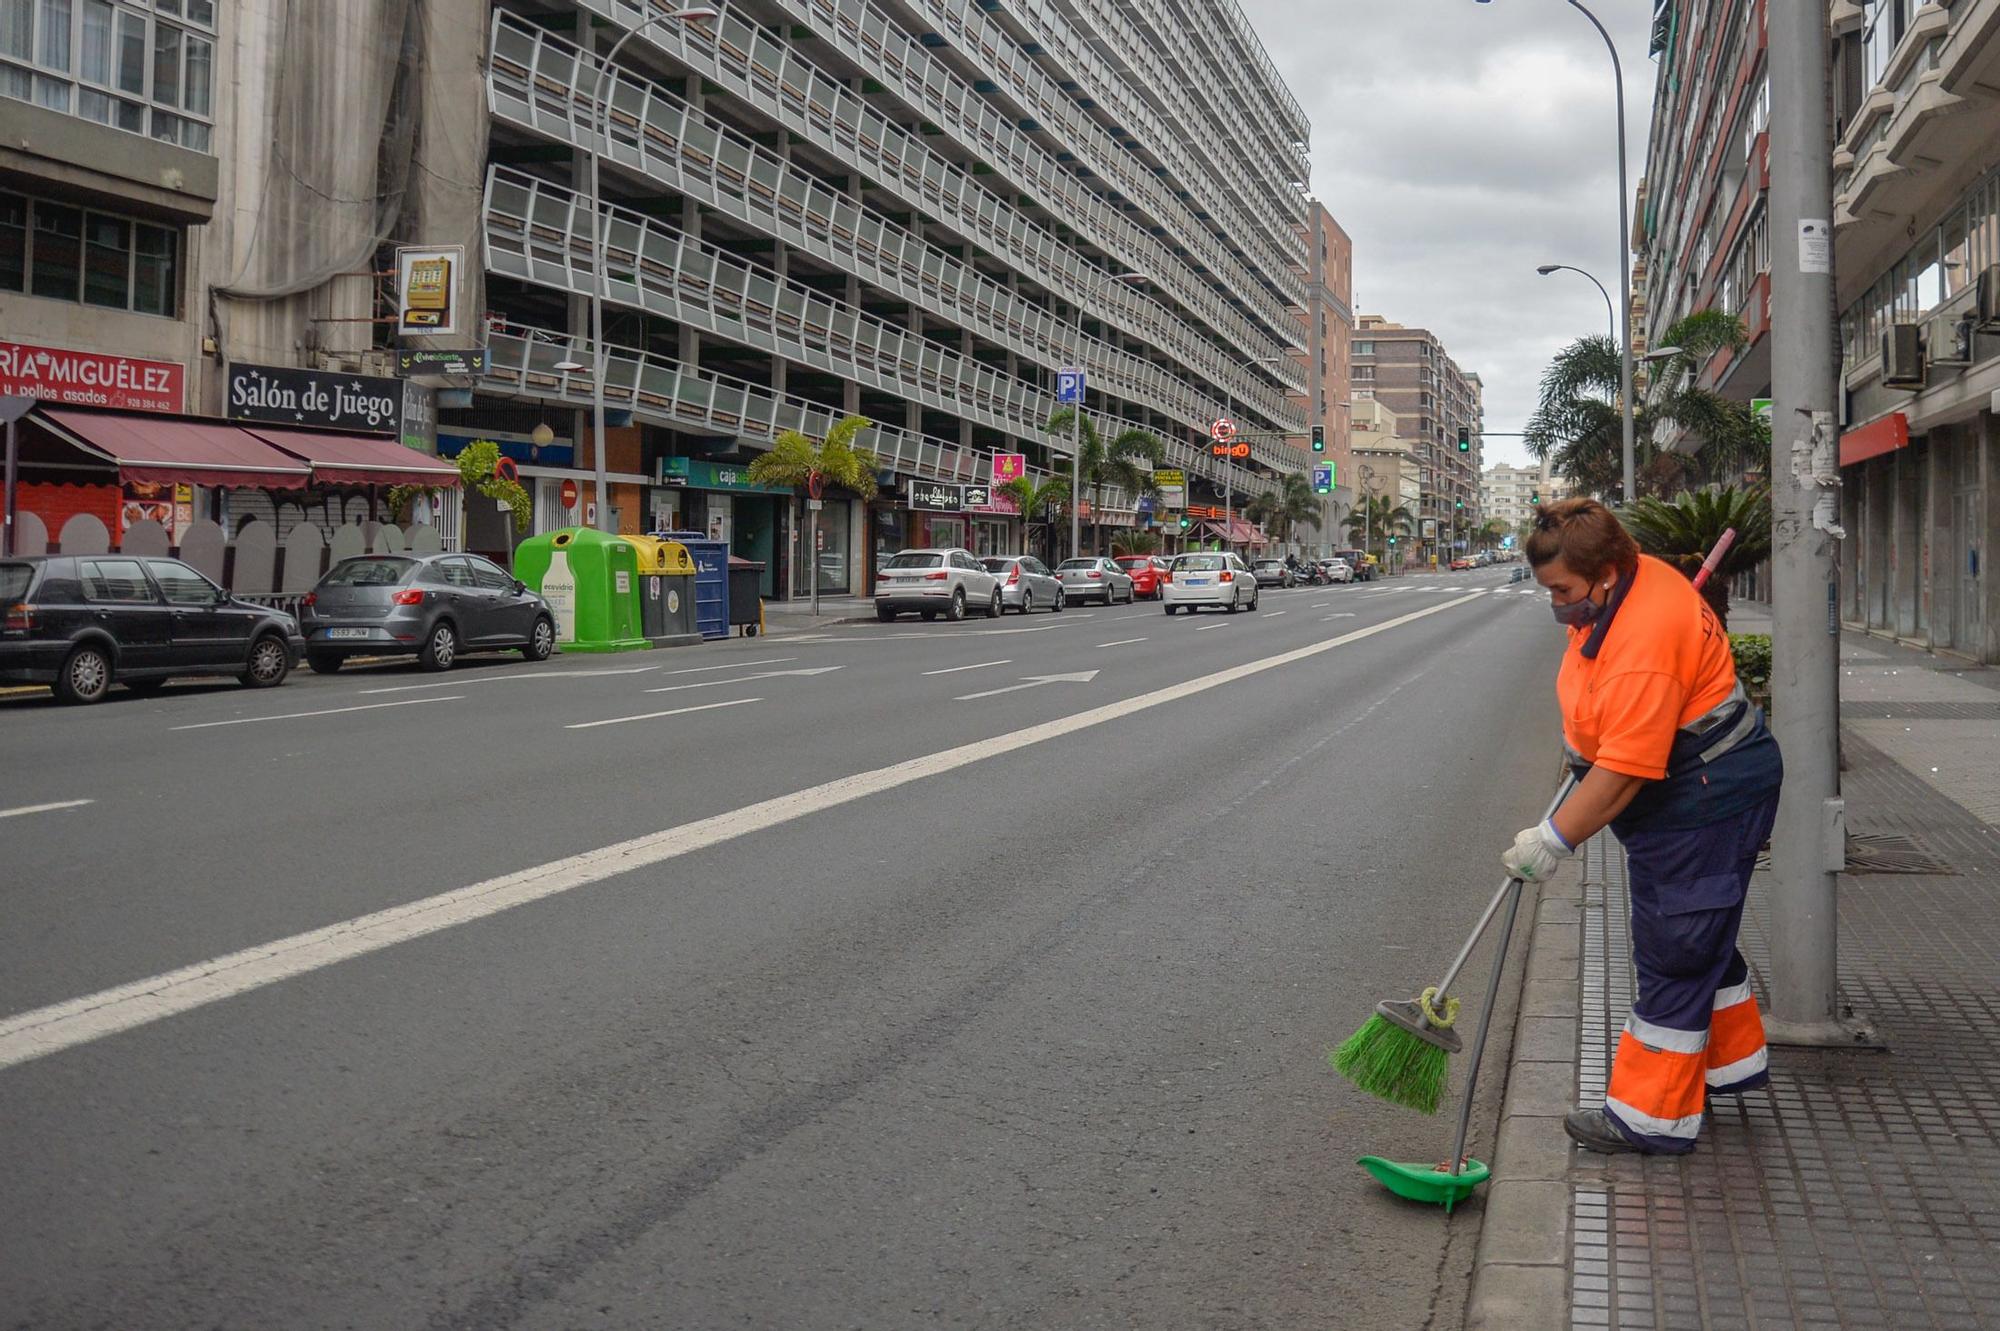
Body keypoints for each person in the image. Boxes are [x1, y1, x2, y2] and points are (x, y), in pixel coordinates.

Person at [1501, 498, 1784, 1155]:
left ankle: (1651, 1117)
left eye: (1563, 591)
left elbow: (1625, 773)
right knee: (1698, 933)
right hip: (1697, 787)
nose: (1556, 605)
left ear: (1602, 573)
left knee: (1679, 944)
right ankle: (1728, 1061)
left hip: (1706, 794)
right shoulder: (1624, 586)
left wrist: (1554, 838)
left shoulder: (1646, 638)